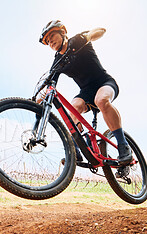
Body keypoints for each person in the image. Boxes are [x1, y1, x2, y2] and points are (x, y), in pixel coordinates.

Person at [37, 20, 132, 165]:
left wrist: (90, 35)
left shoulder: (77, 41)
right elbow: (51, 84)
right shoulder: (57, 61)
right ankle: (77, 150)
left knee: (101, 100)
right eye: (47, 42)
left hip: (104, 83)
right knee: (73, 109)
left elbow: (100, 31)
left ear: (63, 32)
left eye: (52, 37)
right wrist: (39, 98)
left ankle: (122, 145)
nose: (50, 42)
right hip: (86, 92)